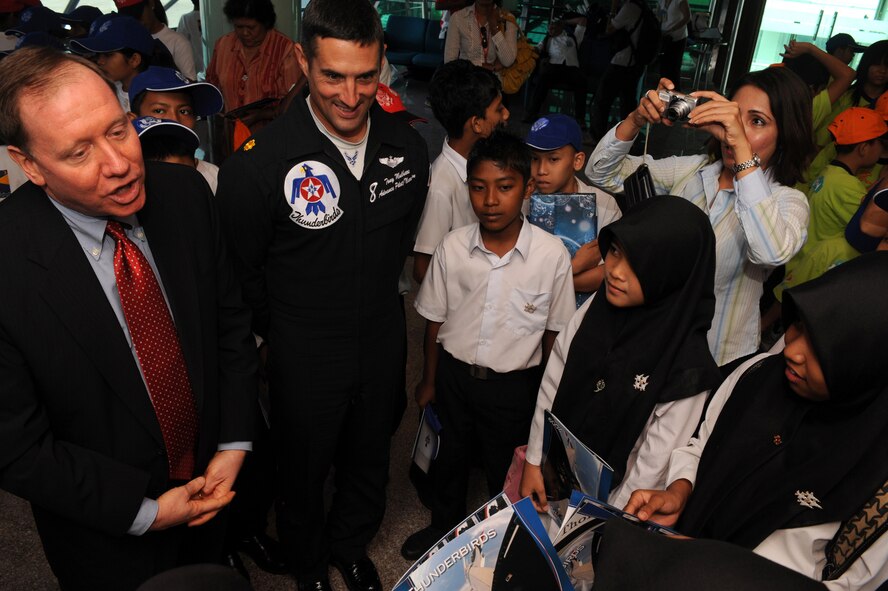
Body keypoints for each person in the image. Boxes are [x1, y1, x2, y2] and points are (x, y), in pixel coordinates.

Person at [0, 47, 258, 590]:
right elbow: (18, 448)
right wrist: (145, 513)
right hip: (106, 534)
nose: (119, 163)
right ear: (28, 165)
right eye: (78, 153)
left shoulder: (187, 194)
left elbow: (230, 326)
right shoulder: (8, 265)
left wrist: (234, 443)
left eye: (118, 130)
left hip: (216, 488)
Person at [215, 0, 430, 589]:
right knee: (302, 467)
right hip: (302, 343)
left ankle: (350, 544)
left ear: (382, 62)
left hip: (384, 332)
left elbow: (401, 241)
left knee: (369, 453)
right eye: (333, 74)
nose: (351, 94)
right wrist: (276, 334)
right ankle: (309, 565)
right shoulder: (256, 168)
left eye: (365, 75)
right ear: (302, 62)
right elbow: (242, 271)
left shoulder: (408, 150)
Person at [624, 252, 888, 590]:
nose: (793, 350)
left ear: (866, 364)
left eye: (820, 348)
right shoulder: (758, 375)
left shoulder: (879, 490)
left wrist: (719, 572)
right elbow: (702, 444)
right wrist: (680, 490)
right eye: (798, 325)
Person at [401, 130, 576, 559]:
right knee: (450, 460)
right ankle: (442, 532)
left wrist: (548, 404)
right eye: (478, 188)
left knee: (508, 468)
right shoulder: (453, 247)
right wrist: (429, 380)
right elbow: (435, 323)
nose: (490, 200)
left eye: (505, 187)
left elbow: (555, 336)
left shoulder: (551, 256)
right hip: (456, 379)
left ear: (528, 188)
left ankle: (504, 545)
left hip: (514, 388)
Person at [586, 67, 814, 368]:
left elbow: (770, 251)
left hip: (714, 359)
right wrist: (636, 119)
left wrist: (740, 147)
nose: (736, 131)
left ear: (786, 135)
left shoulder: (788, 202)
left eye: (756, 121)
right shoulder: (694, 171)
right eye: (733, 116)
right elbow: (601, 172)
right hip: (653, 343)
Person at [519, 196, 721, 513]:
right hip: (555, 473)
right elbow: (554, 379)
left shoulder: (687, 368)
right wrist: (535, 459)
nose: (615, 272)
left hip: (613, 506)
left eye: (637, 264)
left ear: (671, 273)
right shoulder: (597, 308)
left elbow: (652, 464)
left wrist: (602, 520)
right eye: (614, 252)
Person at [775, 106, 887, 300]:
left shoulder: (831, 172)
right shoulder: (846, 186)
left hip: (804, 262)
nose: (883, 152)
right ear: (864, 148)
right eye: (881, 145)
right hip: (817, 268)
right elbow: (871, 226)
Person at [413, 59, 509, 283]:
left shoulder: (480, 162)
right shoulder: (441, 187)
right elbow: (422, 269)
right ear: (477, 124)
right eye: (498, 109)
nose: (506, 115)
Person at [525, 113, 622, 296]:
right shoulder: (522, 200)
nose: (541, 170)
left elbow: (608, 272)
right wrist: (575, 266)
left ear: (577, 161)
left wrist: (538, 284)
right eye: (534, 158)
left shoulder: (604, 205)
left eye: (553, 159)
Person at [206, 0, 303, 131]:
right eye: (239, 27)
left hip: (270, 135)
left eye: (251, 28)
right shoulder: (223, 45)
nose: (245, 33)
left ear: (266, 24)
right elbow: (212, 85)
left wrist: (261, 115)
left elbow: (294, 103)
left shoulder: (285, 50)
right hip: (231, 135)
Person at [128, 66, 224, 191]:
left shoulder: (214, 177)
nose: (174, 120)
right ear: (132, 119)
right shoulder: (123, 180)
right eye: (159, 110)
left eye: (184, 111)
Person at [69, 15, 155, 111]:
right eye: (98, 55)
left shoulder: (156, 98)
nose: (100, 61)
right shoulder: (106, 92)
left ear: (134, 60)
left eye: (108, 55)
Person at [589, 0, 646, 140]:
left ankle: (597, 137)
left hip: (621, 61)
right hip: (634, 62)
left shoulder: (629, 7)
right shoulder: (642, 7)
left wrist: (613, 8)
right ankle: (629, 137)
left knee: (602, 100)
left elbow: (610, 28)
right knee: (627, 102)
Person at [815, 40, 888, 146]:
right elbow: (823, 135)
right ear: (866, 64)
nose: (882, 71)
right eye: (876, 64)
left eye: (887, 66)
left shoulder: (884, 105)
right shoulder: (844, 95)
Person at [524, 18, 589, 131]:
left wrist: (565, 21)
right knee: (542, 79)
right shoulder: (547, 39)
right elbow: (537, 49)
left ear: (561, 27)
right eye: (549, 28)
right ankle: (532, 113)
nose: (551, 30)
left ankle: (580, 118)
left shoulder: (573, 37)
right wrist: (528, 47)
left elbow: (582, 21)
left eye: (553, 28)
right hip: (554, 68)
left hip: (571, 68)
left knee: (582, 81)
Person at [114, 0, 196, 80]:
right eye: (130, 18)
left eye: (138, 14)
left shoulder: (178, 42)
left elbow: (191, 84)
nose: (137, 21)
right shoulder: (124, 43)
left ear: (151, 3)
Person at [443, 0, 517, 77]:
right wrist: (487, 67)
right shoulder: (458, 18)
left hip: (494, 84)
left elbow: (508, 61)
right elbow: (449, 63)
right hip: (466, 82)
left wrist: (494, 28)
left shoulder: (507, 19)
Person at [657, 0, 690, 91]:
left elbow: (687, 17)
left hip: (678, 37)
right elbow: (659, 16)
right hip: (665, 36)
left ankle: (676, 92)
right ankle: (663, 92)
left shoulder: (680, 1)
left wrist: (672, 29)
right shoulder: (661, 1)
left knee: (674, 67)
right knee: (664, 66)